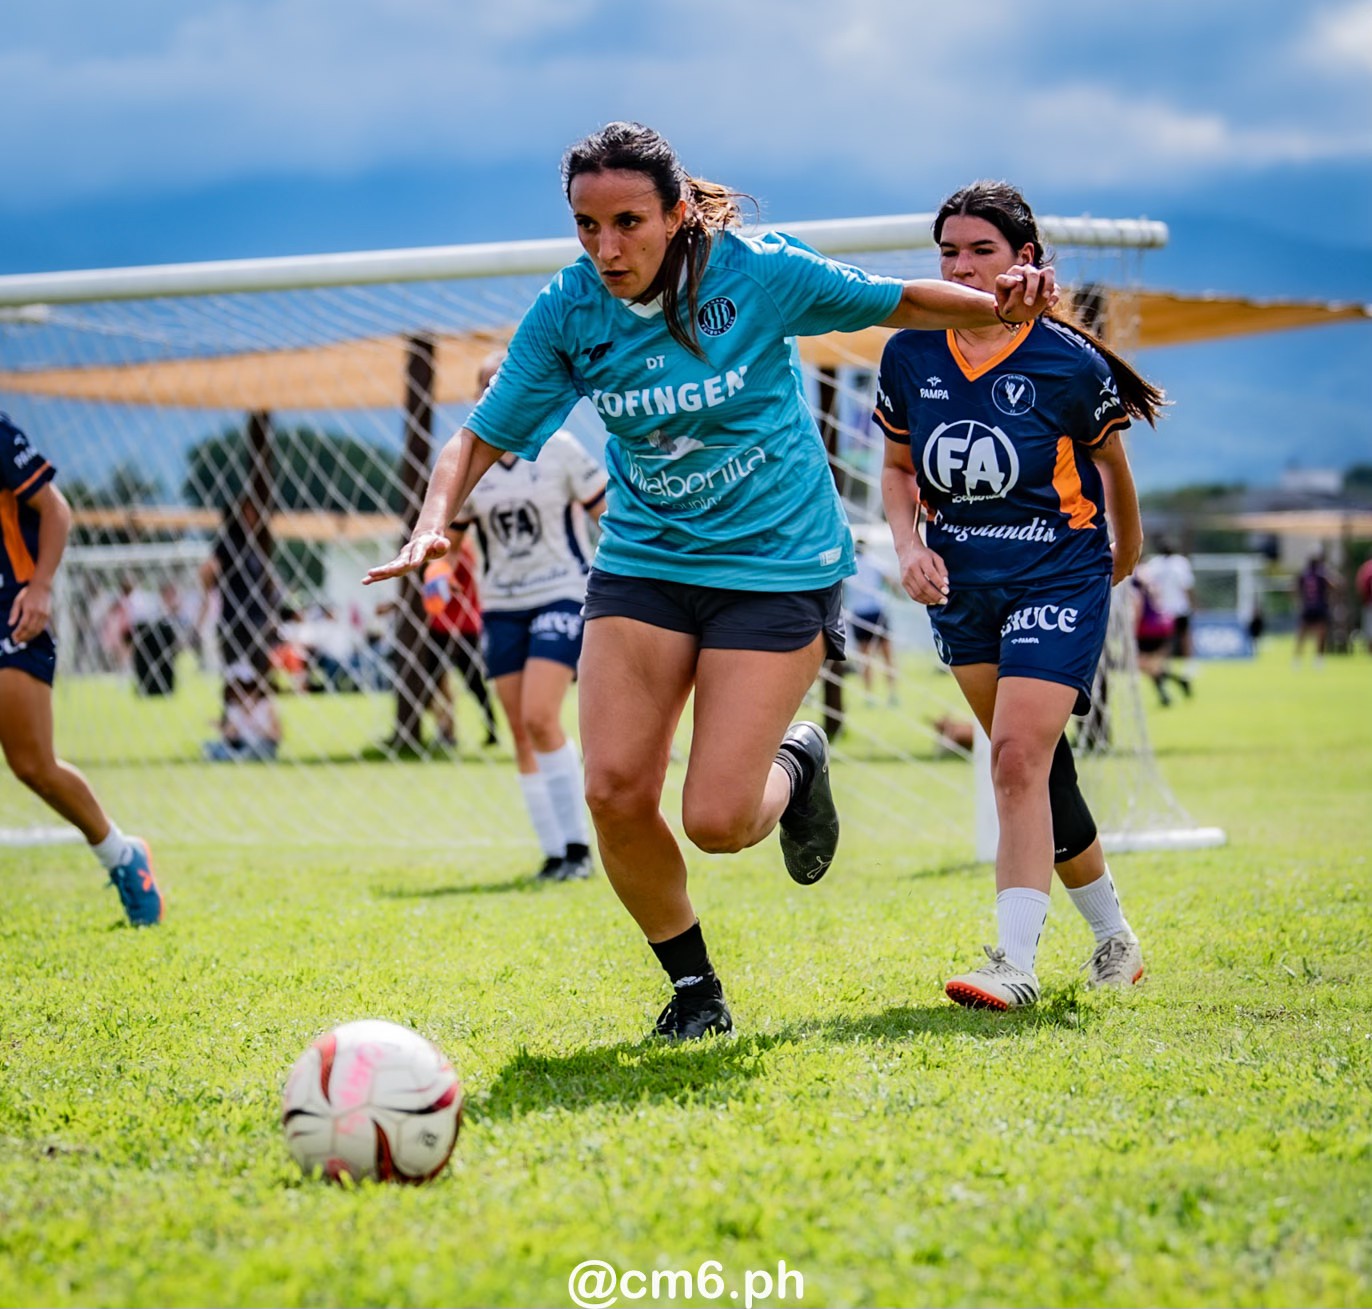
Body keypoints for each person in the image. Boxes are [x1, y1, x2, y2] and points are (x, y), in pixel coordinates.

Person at [365, 123, 1057, 1040]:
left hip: (776, 566)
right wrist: (430, 524)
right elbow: (479, 436)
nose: (607, 249)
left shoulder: (757, 272)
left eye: (627, 223)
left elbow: (895, 300)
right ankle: (696, 991)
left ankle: (796, 761)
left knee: (721, 822)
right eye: (586, 226)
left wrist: (995, 308)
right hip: (645, 562)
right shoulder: (570, 310)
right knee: (613, 789)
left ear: (677, 211)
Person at [876, 180, 1163, 1010]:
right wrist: (908, 545)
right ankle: (1114, 938)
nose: (961, 266)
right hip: (962, 587)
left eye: (982, 250)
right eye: (949, 252)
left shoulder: (1067, 359)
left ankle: (1014, 962)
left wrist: (1125, 552)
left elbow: (1112, 467)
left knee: (1014, 759)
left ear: (1024, 261)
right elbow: (896, 470)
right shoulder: (909, 352)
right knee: (1037, 768)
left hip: (1057, 573)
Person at [447, 350, 607, 882]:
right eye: (485, 385)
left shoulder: (559, 450)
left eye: (503, 381)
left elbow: (607, 513)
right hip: (502, 607)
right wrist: (433, 572)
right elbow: (450, 538)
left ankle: (580, 849)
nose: (495, 391)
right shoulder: (469, 463)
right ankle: (554, 853)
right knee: (520, 729)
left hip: (561, 594)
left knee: (541, 715)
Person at [0, 414, 163, 926]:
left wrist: (42, 587)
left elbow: (55, 509)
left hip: (12, 610)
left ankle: (122, 856)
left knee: (32, 765)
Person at [419, 531, 499, 750]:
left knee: (469, 682)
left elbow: (442, 580)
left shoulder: (458, 550)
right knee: (439, 681)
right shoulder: (456, 548)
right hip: (444, 624)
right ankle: (448, 729)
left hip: (461, 625)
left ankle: (489, 729)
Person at [844, 539, 900, 706]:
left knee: (865, 657)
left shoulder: (849, 567)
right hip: (876, 613)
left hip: (859, 614)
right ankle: (892, 694)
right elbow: (892, 582)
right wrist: (899, 594)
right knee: (887, 655)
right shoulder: (875, 562)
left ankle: (869, 695)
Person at [1137, 539, 1194, 697]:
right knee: (1157, 657)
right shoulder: (1176, 564)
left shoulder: (1147, 570)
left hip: (1150, 623)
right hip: (1164, 618)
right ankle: (1175, 683)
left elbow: (1140, 602)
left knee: (1144, 661)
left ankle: (1170, 685)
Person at [202, 663, 281, 761]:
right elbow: (230, 735)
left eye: (248, 689)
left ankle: (234, 756)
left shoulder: (267, 706)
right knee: (216, 746)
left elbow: (276, 736)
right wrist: (228, 725)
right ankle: (229, 755)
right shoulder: (234, 708)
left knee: (255, 749)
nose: (244, 695)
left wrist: (259, 728)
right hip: (241, 743)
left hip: (262, 744)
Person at [1133, 575, 1178, 705]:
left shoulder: (1136, 583)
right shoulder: (1149, 580)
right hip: (1161, 627)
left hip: (1147, 630)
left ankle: (1169, 689)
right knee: (1152, 664)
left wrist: (1133, 630)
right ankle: (1169, 689)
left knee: (1141, 664)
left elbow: (1138, 608)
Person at [1293, 550, 1336, 665]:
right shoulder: (1321, 574)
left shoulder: (1304, 574)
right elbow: (1334, 585)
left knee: (1304, 634)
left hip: (1309, 607)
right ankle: (1316, 659)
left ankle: (1298, 659)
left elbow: (1295, 589)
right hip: (1317, 607)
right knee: (1317, 634)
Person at [1356, 555, 1372, 655]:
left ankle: (1370, 652)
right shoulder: (1367, 568)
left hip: (1369, 603)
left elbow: (1361, 587)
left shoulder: (1365, 568)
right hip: (1369, 603)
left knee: (1370, 631)